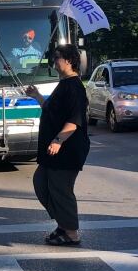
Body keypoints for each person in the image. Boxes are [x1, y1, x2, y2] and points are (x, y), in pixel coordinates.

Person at [24, 44, 90, 246]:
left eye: (57, 57)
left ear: (69, 60)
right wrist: (36, 96)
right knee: (41, 183)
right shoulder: (63, 84)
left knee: (61, 189)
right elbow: (51, 109)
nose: (54, 61)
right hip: (53, 150)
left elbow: (75, 119)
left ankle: (71, 232)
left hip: (67, 149)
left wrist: (58, 140)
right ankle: (63, 223)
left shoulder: (75, 87)